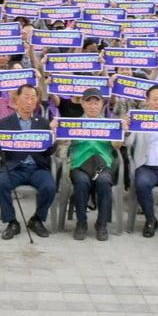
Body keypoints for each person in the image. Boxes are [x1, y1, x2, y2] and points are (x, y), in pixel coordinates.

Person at [0, 84, 56, 240]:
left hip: (37, 167)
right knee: (1, 183)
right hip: (15, 167)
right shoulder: (4, 123)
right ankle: (12, 222)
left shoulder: (43, 123)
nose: (29, 101)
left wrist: (53, 139)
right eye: (26, 97)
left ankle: (37, 219)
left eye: (33, 98)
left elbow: (48, 152)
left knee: (50, 186)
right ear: (17, 99)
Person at [60, 88, 117, 241]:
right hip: (79, 164)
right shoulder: (74, 123)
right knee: (81, 182)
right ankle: (81, 223)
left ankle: (102, 224)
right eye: (89, 102)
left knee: (104, 181)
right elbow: (62, 145)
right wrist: (55, 131)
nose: (93, 106)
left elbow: (117, 146)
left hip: (102, 165)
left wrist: (122, 132)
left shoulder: (111, 124)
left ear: (102, 104)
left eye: (96, 102)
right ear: (83, 104)